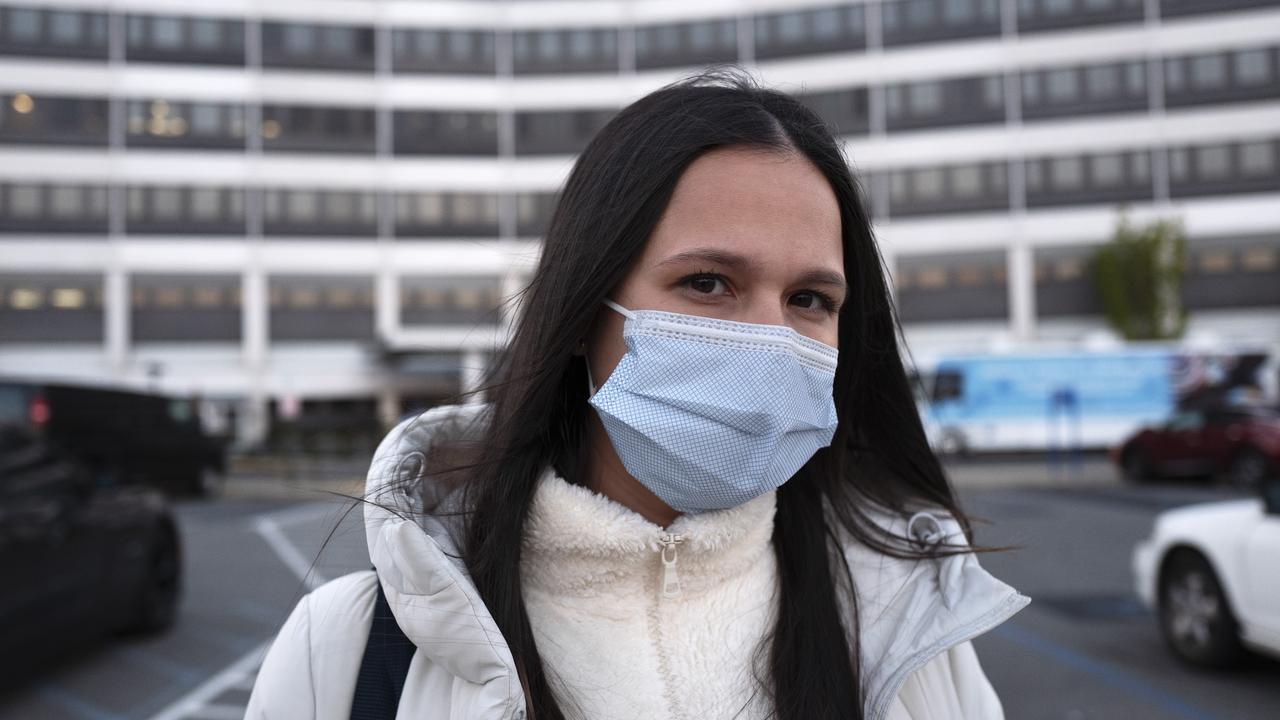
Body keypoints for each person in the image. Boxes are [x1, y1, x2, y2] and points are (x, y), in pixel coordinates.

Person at [246, 72, 1029, 720]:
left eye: (810, 299)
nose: (769, 340)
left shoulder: (909, 642)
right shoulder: (350, 651)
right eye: (708, 283)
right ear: (586, 311)